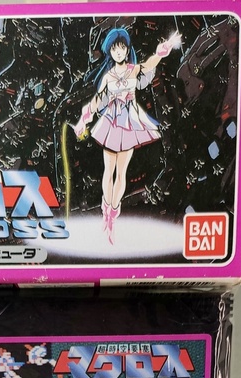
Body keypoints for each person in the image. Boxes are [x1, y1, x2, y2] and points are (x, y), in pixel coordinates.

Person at [73, 27, 182, 242]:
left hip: (129, 121)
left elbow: (150, 63)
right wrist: (82, 121)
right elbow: (96, 102)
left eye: (121, 48)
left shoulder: (133, 69)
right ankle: (106, 211)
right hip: (111, 122)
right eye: (115, 49)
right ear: (110, 52)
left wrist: (164, 48)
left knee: (121, 172)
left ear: (126, 49)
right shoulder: (108, 76)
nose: (119, 52)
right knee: (109, 171)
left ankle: (113, 214)